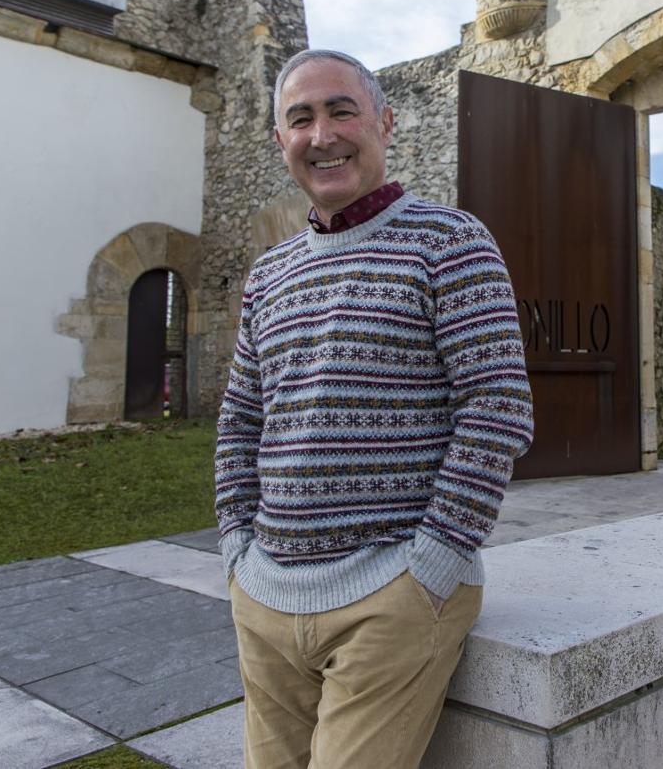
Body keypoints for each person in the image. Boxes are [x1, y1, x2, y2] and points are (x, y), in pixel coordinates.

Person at [214, 49, 534, 768]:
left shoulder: (450, 243)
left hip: (392, 598)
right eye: (301, 119)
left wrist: (433, 563)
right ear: (281, 142)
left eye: (341, 110)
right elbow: (240, 416)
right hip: (265, 598)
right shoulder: (270, 274)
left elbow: (497, 406)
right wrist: (237, 549)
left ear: (385, 123)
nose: (322, 134)